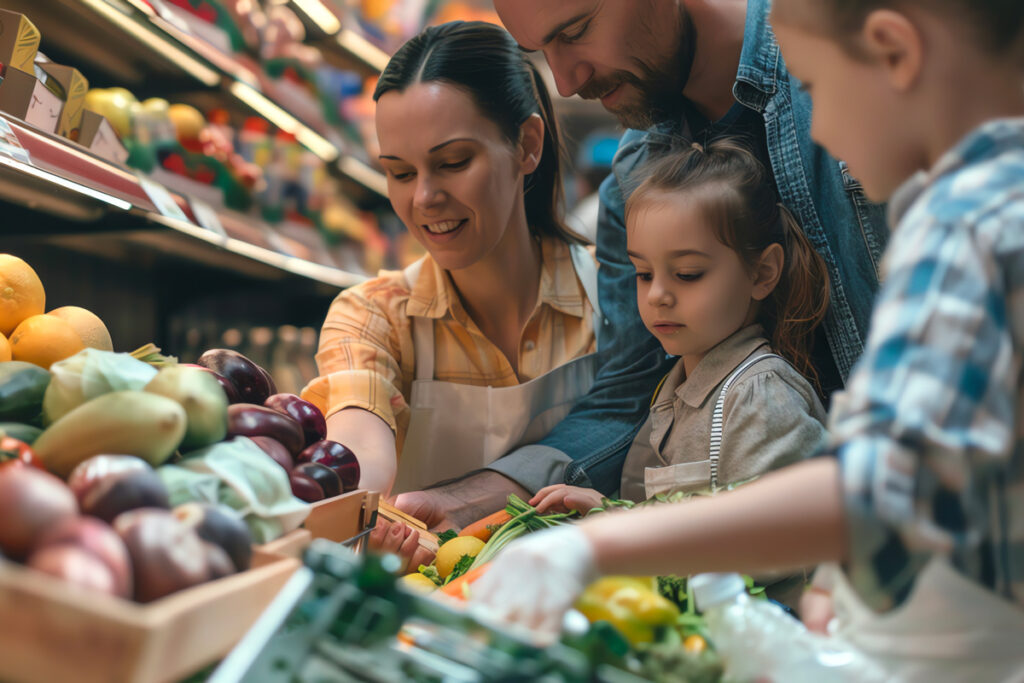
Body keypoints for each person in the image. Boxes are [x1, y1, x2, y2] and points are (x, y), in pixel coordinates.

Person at [471, 1, 1024, 679]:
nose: (817, 127)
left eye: (814, 89)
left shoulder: (968, 222)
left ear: (895, 52)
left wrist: (600, 544)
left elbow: (879, 489)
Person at [392, 0, 889, 532]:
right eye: (542, 52)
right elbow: (627, 398)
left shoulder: (861, 70)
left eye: (576, 31)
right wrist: (482, 496)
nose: (563, 81)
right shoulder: (632, 182)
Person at [300, 21, 600, 570]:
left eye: (454, 162)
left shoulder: (618, 298)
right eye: (399, 172)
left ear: (527, 145)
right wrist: (338, 497)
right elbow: (357, 436)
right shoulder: (373, 313)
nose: (425, 198)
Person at [533, 139, 829, 520]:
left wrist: (621, 524)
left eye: (688, 274)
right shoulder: (677, 384)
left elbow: (767, 541)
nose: (657, 295)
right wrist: (609, 511)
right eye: (643, 274)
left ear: (763, 272)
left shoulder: (759, 398)